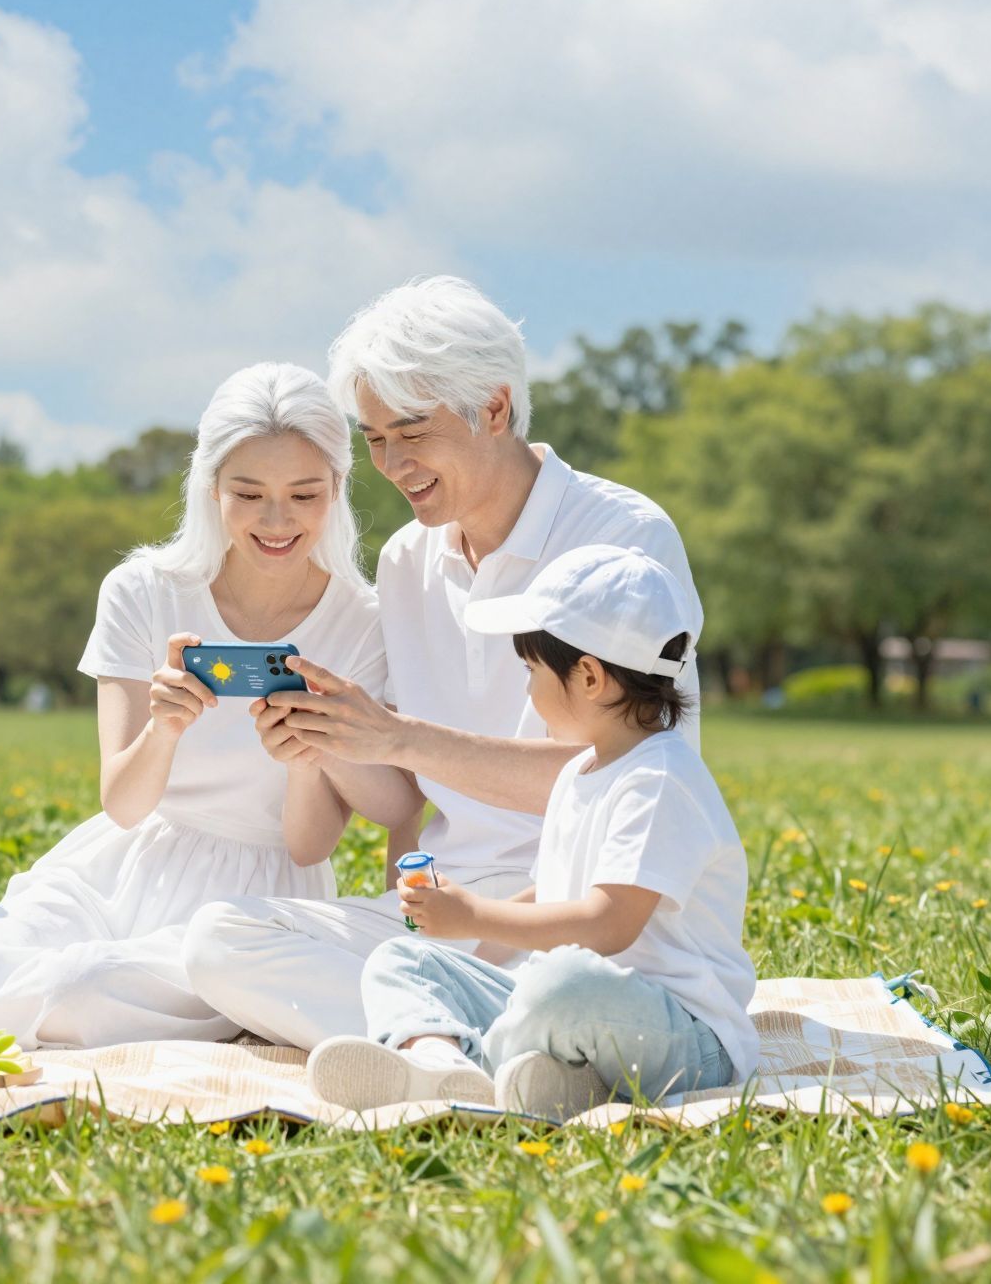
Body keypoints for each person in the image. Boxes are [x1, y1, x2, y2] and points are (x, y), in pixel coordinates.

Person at [183, 277, 704, 1049]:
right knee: (219, 942)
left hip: (577, 916)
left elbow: (634, 773)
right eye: (373, 437)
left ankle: (442, 1036)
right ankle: (468, 1037)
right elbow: (408, 800)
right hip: (450, 908)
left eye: (412, 432)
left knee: (551, 988)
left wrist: (399, 737)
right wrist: (330, 741)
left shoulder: (622, 538)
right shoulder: (406, 561)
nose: (391, 463)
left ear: (494, 409)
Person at [0, 363, 390, 1048]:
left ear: (337, 490)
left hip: (253, 897)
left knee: (81, 991)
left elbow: (309, 845)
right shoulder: (143, 590)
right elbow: (122, 803)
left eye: (305, 494)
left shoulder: (361, 621)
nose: (278, 520)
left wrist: (306, 755)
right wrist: (164, 729)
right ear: (211, 489)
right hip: (121, 862)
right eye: (249, 493)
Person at [308, 545, 755, 1117]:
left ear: (590, 677)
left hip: (688, 1037)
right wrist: (472, 962)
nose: (527, 690)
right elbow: (550, 893)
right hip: (585, 1009)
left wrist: (474, 915)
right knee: (406, 960)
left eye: (532, 671)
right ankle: (453, 1063)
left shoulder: (661, 780)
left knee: (561, 983)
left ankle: (461, 1070)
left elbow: (608, 923)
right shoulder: (580, 771)